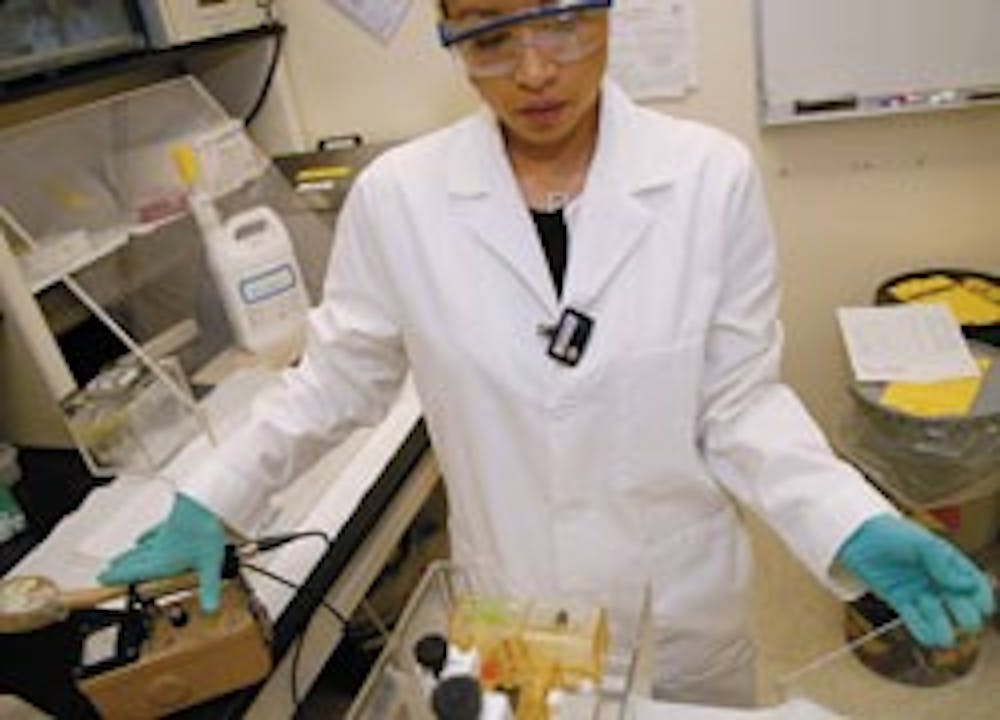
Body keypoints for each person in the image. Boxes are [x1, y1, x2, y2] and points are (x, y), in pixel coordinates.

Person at [101, 0, 994, 707]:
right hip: (513, 607)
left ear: (609, 11)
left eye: (565, 19)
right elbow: (337, 381)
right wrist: (214, 501)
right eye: (489, 35)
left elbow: (738, 403)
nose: (534, 69)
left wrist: (849, 516)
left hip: (680, 605)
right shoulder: (400, 200)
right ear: (450, 35)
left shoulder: (707, 178)